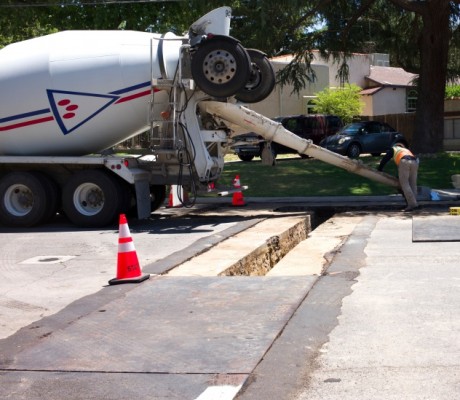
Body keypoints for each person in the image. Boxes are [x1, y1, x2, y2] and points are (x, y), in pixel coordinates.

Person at [378, 143, 419, 212]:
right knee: (413, 184)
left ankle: (412, 204)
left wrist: (380, 168)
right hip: (414, 162)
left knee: (405, 184)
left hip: (404, 161)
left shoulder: (394, 149)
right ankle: (414, 202)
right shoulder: (405, 150)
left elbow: (385, 158)